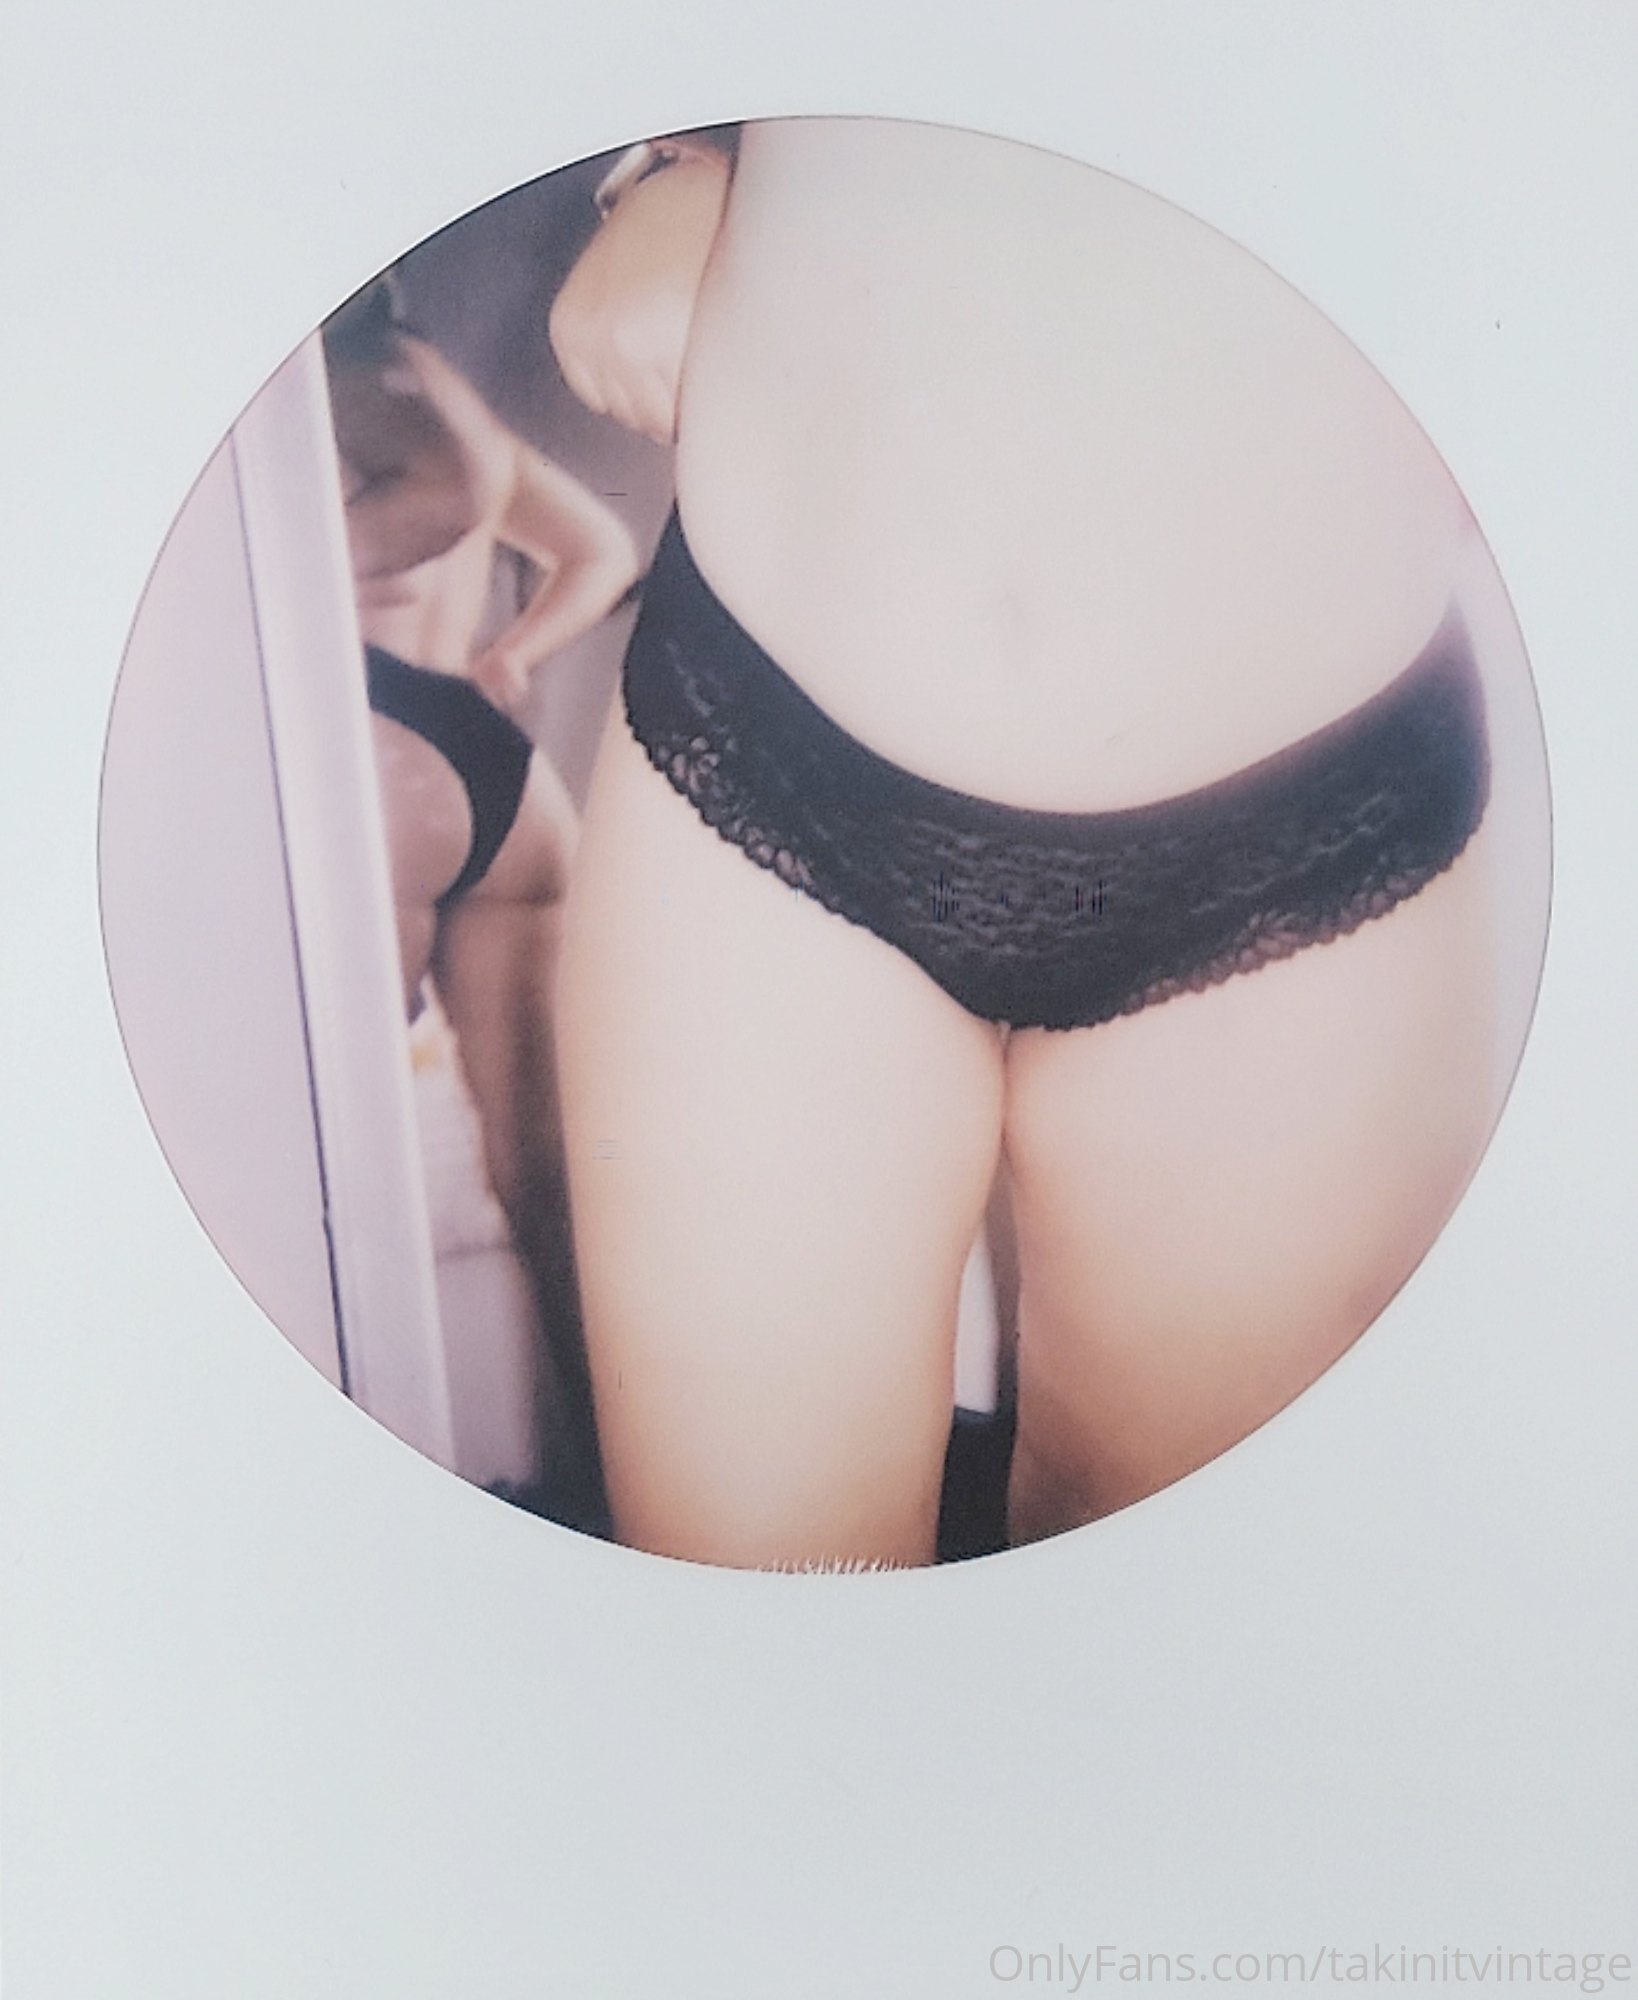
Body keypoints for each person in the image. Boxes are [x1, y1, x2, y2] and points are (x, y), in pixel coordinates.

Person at [545, 120, 1532, 1570]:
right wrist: (670, 154)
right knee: (760, 1631)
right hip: (766, 749)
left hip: (1312, 830)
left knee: (1161, 1641)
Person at [324, 280, 638, 1521]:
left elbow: (444, 494)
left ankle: (382, 1507)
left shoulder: (335, 388)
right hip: (497, 771)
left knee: (344, 1144)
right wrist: (509, 655)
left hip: (379, 735)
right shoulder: (461, 407)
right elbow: (602, 548)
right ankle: (624, 1490)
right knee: (551, 1174)